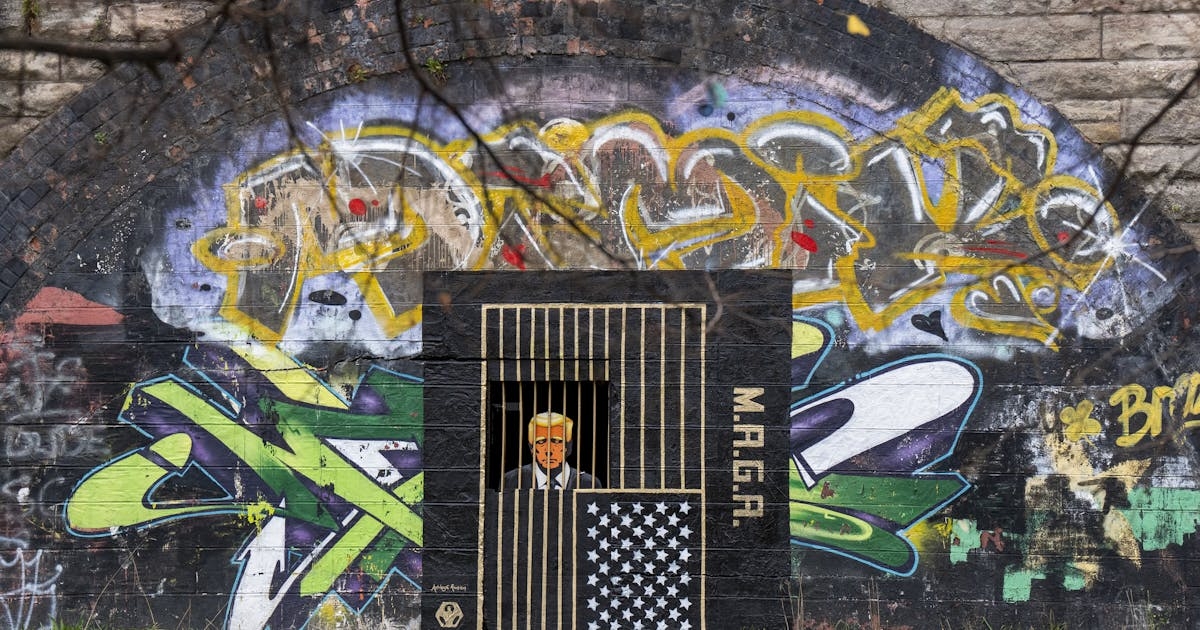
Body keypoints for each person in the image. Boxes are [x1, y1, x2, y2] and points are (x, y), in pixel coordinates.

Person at [503, 411, 599, 490]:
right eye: (541, 442)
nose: (548, 450)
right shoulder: (511, 481)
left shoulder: (588, 484)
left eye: (556, 441)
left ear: (568, 447)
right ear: (532, 448)